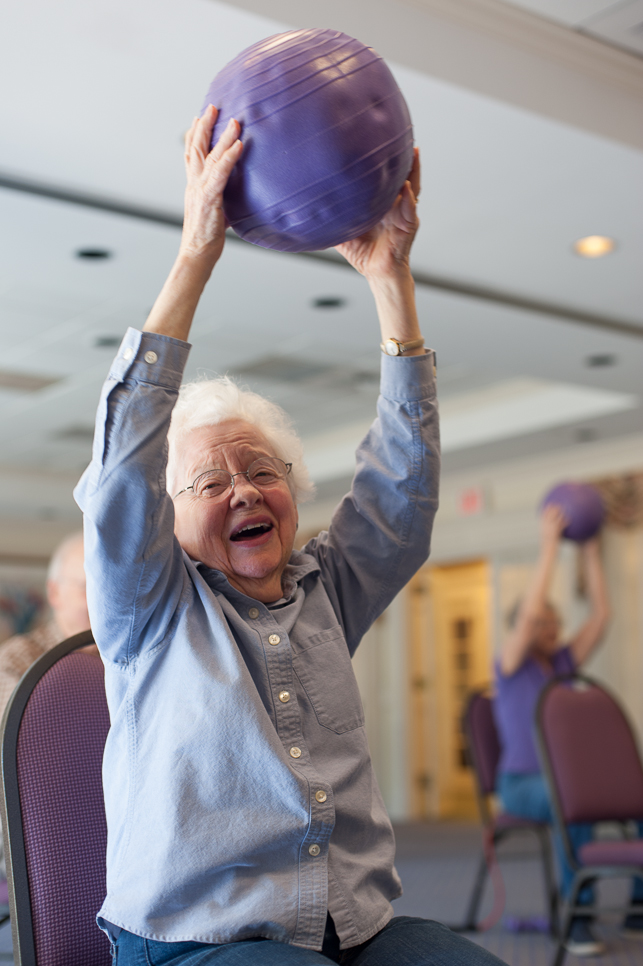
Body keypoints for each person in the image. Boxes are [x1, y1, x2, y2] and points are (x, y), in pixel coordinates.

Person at [74, 106, 506, 966]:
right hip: (198, 940)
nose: (243, 489)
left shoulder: (326, 591)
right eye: (208, 481)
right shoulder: (148, 608)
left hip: (353, 928)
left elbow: (400, 487)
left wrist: (391, 279)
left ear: (293, 494)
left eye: (262, 469)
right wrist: (197, 250)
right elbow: (124, 467)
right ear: (169, 521)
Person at [494, 503, 643, 955]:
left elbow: (600, 618)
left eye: (556, 619)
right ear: (523, 627)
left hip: (564, 781)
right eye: (542, 620)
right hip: (520, 785)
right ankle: (578, 917)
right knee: (573, 803)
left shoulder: (561, 662)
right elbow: (528, 614)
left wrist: (592, 551)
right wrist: (549, 547)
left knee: (636, 800)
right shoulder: (510, 664)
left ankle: (637, 905)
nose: (552, 625)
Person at [0, 531, 92, 718]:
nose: (104, 600)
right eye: (87, 587)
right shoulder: (19, 660)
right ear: (54, 592)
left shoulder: (129, 659)